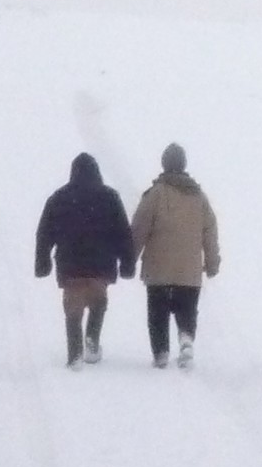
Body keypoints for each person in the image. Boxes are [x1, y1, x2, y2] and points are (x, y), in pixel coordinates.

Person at [32, 153, 134, 368]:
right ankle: (92, 341)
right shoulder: (110, 197)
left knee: (73, 310)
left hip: (70, 267)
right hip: (100, 266)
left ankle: (75, 353)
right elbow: (123, 234)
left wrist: (42, 263)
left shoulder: (59, 198)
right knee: (98, 303)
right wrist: (127, 263)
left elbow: (44, 234)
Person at [132, 141, 220, 369]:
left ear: (164, 164)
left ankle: (161, 353)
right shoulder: (199, 197)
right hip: (189, 271)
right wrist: (211, 263)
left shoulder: (155, 194)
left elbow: (139, 228)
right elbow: (210, 231)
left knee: (157, 312)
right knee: (187, 309)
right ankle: (186, 339)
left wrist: (129, 258)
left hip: (158, 268)